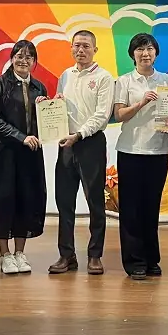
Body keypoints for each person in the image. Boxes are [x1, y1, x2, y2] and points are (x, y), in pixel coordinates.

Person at [48, 30, 114, 276]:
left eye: (86, 46)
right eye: (76, 45)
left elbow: (102, 115)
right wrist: (49, 106)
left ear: (95, 50)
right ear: (71, 48)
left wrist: (79, 134)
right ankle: (67, 255)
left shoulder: (104, 77)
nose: (81, 50)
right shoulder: (65, 75)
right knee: (64, 202)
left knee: (95, 202)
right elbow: (60, 107)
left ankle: (95, 255)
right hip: (66, 144)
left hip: (91, 143)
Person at [0, 40, 47, 274]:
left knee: (26, 201)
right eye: (19, 55)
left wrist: (47, 108)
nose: (23, 60)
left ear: (34, 61)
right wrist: (21, 137)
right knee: (3, 201)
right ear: (12, 58)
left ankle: (20, 253)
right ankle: (5, 255)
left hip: (30, 154)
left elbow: (45, 123)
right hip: (4, 152)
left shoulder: (39, 87)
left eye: (29, 57)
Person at [113, 33, 168, 280]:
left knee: (151, 207)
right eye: (140, 49)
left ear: (156, 53)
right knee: (131, 208)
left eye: (149, 49)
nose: (145, 53)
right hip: (130, 150)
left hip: (158, 151)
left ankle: (151, 259)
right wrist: (141, 103)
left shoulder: (167, 81)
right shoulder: (124, 81)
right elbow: (119, 115)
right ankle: (134, 261)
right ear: (133, 54)